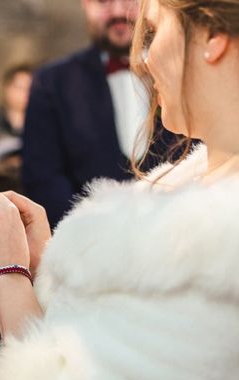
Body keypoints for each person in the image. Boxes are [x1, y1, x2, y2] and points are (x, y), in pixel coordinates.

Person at [0, 0, 239, 380]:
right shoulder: (187, 181)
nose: (141, 60)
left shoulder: (217, 245)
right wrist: (54, 267)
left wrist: (7, 276)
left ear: (212, 38)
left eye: (155, 31)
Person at [21, 0, 176, 228]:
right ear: (85, 5)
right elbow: (43, 176)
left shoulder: (179, 72)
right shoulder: (52, 82)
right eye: (103, 1)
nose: (117, 11)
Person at [0, 64, 33, 192]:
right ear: (7, 87)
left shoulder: (42, 125)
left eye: (29, 88)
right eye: (19, 87)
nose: (24, 94)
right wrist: (5, 164)